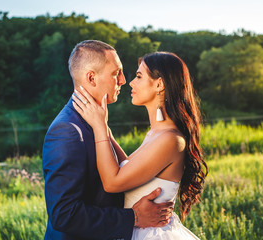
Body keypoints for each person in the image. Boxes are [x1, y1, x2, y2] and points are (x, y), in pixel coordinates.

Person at [42, 40, 174, 240]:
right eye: (115, 73)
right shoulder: (68, 131)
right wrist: (133, 218)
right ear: (91, 78)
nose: (122, 80)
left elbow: (123, 172)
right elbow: (64, 215)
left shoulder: (97, 124)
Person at [73, 51, 208, 239]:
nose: (130, 83)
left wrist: (98, 128)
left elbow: (113, 183)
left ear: (159, 84)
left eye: (138, 76)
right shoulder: (156, 133)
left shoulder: (170, 140)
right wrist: (105, 127)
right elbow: (128, 166)